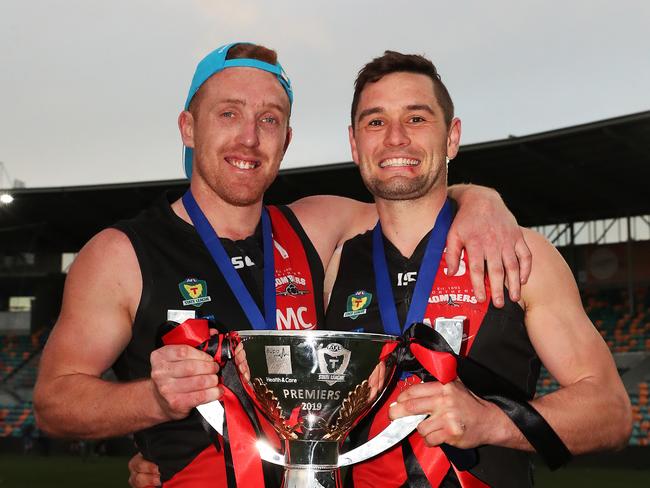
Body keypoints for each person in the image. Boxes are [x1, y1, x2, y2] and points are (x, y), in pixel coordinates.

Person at [33, 42, 529, 487]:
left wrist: (484, 200)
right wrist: (155, 401)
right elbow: (54, 404)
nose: (249, 138)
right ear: (189, 127)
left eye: (269, 119)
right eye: (228, 114)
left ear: (286, 139)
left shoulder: (315, 226)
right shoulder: (121, 253)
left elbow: (414, 197)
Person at [318, 51, 631, 487]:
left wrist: (490, 420)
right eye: (375, 122)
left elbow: (611, 412)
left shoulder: (523, 255)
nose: (394, 138)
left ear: (451, 137)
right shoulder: (333, 264)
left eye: (416, 119)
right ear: (354, 143)